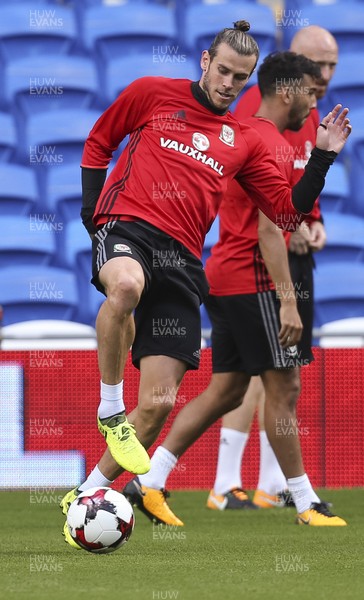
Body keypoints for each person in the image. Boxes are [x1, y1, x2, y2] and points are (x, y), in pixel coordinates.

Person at [59, 21, 350, 547]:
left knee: (160, 402)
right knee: (123, 287)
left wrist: (324, 155)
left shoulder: (243, 140)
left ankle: (85, 497)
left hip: (183, 262)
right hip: (128, 228)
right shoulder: (152, 93)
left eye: (239, 79)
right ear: (204, 61)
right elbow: (100, 140)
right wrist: (90, 213)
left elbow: (284, 213)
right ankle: (108, 406)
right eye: (222, 71)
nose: (228, 84)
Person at [210, 25, 339, 510]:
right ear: (291, 71)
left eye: (331, 67)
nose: (323, 78)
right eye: (315, 69)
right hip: (256, 270)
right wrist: (287, 291)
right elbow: (269, 216)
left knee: (243, 382)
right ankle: (277, 492)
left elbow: (298, 193)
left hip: (274, 263)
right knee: (276, 379)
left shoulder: (305, 118)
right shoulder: (261, 119)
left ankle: (266, 484)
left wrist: (314, 221)